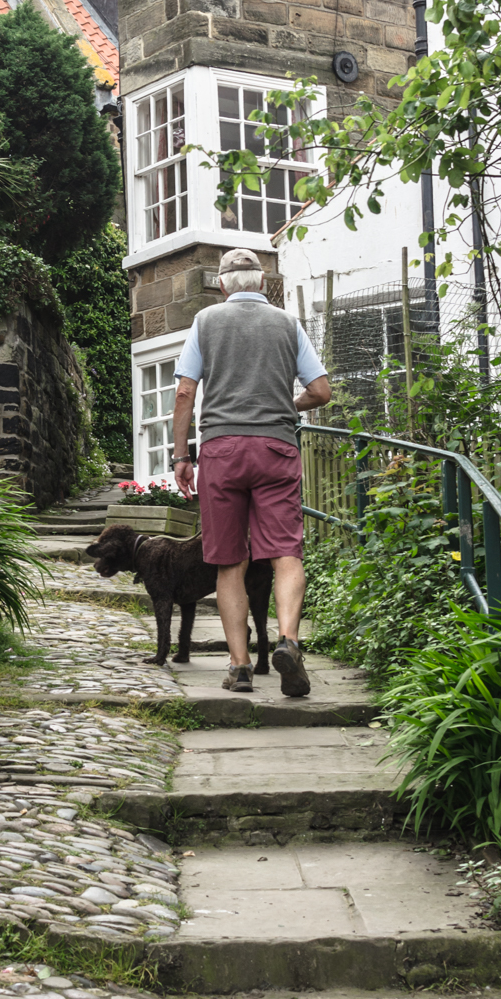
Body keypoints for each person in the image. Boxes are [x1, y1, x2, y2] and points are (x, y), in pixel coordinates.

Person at [171, 248, 331, 695]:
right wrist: (286, 404)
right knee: (286, 553)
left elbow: (185, 393)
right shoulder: (288, 323)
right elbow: (321, 391)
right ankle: (289, 641)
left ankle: (240, 667)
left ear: (222, 285)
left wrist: (182, 456)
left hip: (221, 450)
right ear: (262, 283)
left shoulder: (205, 321)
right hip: (275, 448)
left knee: (229, 562)